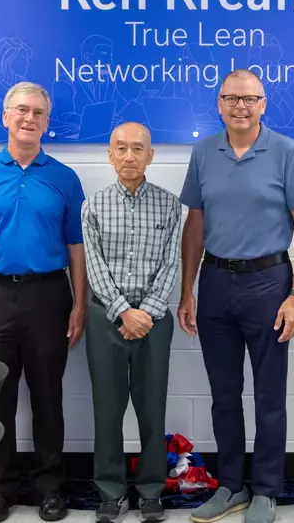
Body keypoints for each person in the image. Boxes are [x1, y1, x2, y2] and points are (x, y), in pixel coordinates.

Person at [178, 69, 294, 523]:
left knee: (269, 394)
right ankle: (232, 486)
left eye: (250, 98)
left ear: (264, 104)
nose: (241, 106)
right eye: (231, 98)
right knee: (223, 394)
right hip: (216, 283)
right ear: (218, 104)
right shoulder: (204, 152)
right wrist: (187, 290)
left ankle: (267, 490)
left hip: (269, 283)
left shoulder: (286, 152)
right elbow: (194, 225)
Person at [0, 82, 87, 523]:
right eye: (21, 111)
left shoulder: (64, 178)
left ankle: (50, 487)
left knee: (49, 395)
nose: (29, 118)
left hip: (49, 295)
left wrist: (79, 304)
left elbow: (76, 249)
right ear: (5, 117)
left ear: (48, 122)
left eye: (38, 113)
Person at [82, 122, 181, 523]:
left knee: (151, 407)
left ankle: (151, 491)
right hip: (107, 318)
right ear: (109, 155)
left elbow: (173, 262)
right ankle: (110, 491)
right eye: (120, 149)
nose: (128, 156)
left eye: (137, 149)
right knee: (107, 409)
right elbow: (94, 265)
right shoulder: (94, 206)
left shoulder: (171, 205)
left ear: (150, 155)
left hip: (154, 321)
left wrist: (147, 311)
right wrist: (123, 311)